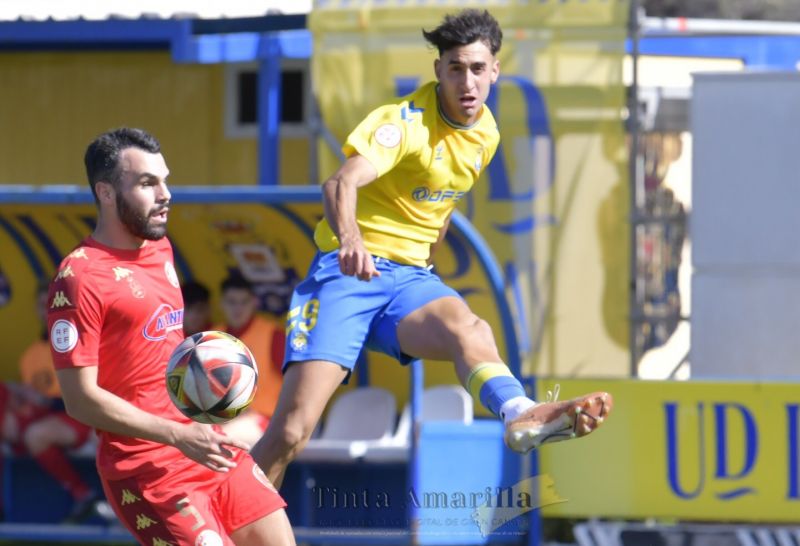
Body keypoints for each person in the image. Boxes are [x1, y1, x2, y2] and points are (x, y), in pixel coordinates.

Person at [250, 8, 613, 488]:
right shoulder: (403, 124)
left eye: (478, 69)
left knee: (470, 328)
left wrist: (425, 264)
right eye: (457, 68)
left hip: (408, 281)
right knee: (293, 430)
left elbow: (440, 210)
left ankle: (521, 413)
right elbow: (340, 183)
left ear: (495, 71)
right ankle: (227, 521)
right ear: (438, 69)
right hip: (347, 276)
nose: (468, 82)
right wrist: (352, 241)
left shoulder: (486, 134)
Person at [47, 128, 294, 546]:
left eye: (165, 179)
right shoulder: (80, 279)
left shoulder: (160, 249)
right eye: (147, 183)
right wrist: (177, 434)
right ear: (105, 193)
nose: (165, 193)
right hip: (146, 471)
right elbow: (79, 399)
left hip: (208, 446)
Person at [11, 282, 103, 522]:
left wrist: (44, 401)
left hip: (88, 418)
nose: (46, 310)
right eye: (42, 305)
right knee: (24, 427)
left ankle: (93, 497)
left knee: (36, 434)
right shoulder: (30, 355)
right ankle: (82, 495)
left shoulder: (82, 339)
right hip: (56, 421)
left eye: (51, 304)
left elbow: (91, 392)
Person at [215, 275, 285, 446]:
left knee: (221, 440)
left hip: (264, 419)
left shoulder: (273, 335)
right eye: (232, 302)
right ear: (221, 303)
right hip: (219, 417)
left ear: (254, 302)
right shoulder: (212, 336)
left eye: (244, 302)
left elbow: (296, 383)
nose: (238, 308)